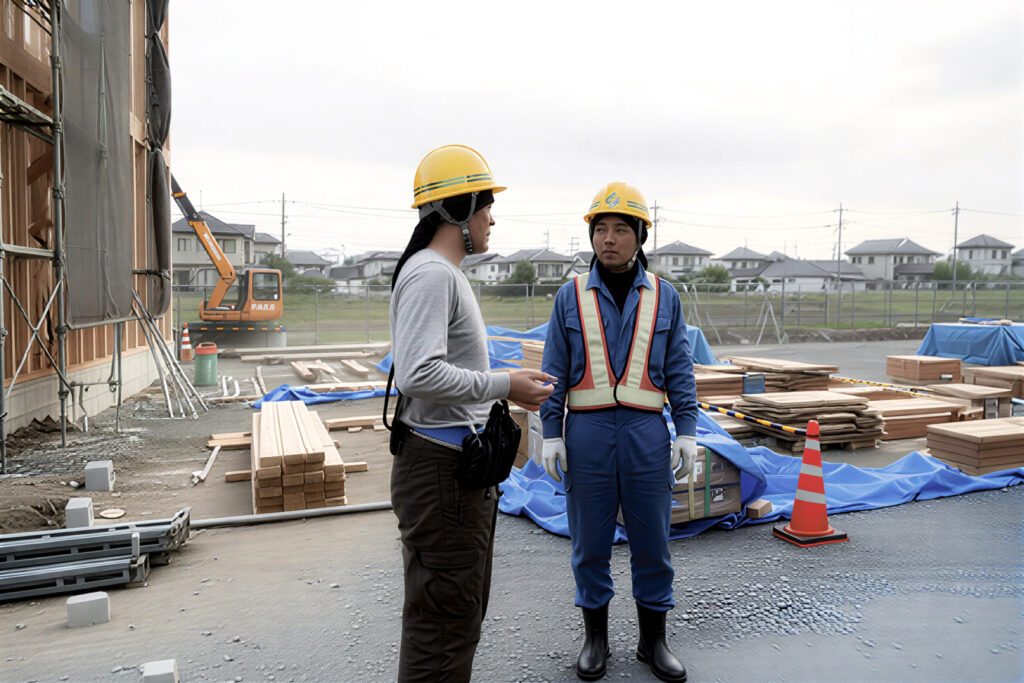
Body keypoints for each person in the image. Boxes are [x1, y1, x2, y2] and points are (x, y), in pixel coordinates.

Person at [389, 144, 555, 682]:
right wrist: (506, 384)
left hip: (448, 471)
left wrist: (499, 385)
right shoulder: (434, 274)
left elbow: (436, 369)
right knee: (444, 629)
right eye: (484, 205)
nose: (490, 216)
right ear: (457, 212)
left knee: (451, 617)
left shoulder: (439, 271)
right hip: (441, 476)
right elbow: (418, 372)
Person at [539, 181, 697, 682]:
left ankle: (654, 642)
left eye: (620, 229)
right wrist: (550, 431)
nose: (609, 239)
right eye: (600, 229)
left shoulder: (665, 297)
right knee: (590, 543)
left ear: (640, 236)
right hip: (586, 436)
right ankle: (596, 640)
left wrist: (688, 429)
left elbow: (680, 369)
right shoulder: (569, 297)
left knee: (654, 541)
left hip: (647, 434)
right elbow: (553, 373)